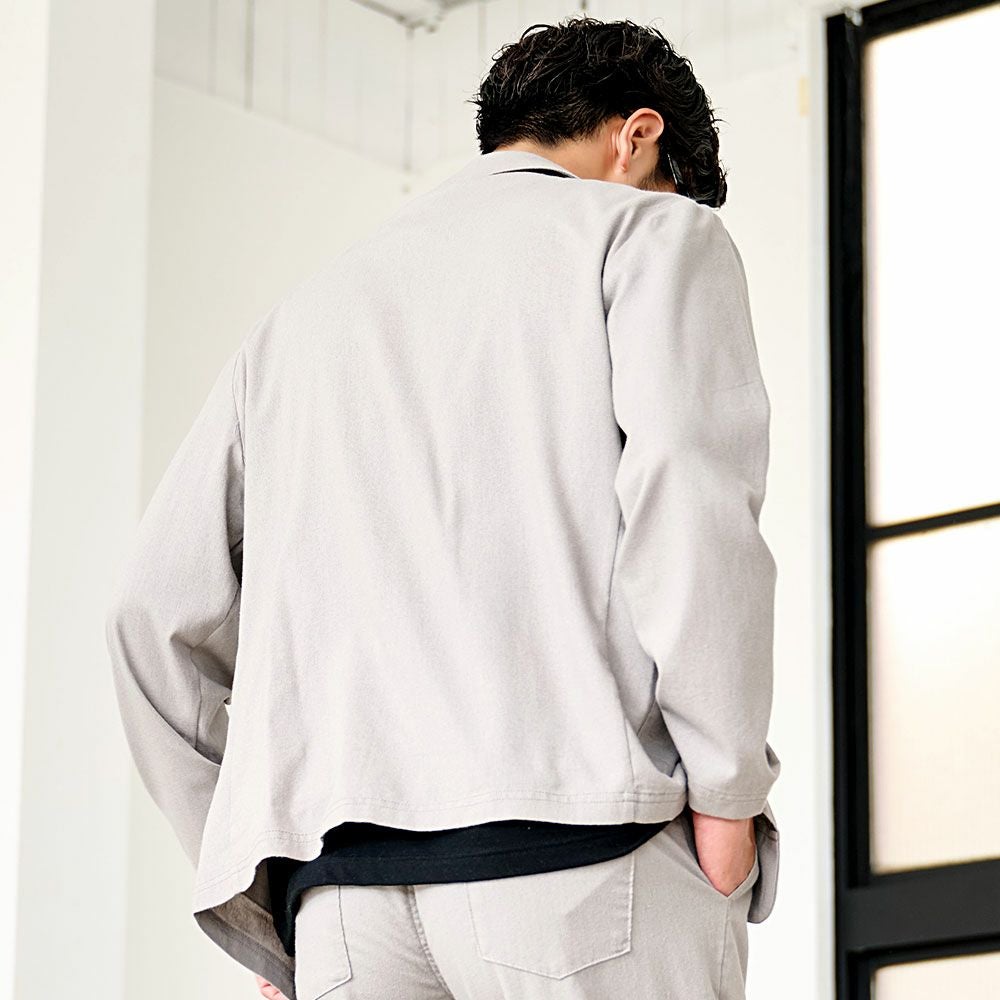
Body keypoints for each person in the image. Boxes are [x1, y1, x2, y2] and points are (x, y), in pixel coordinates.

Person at [105, 15, 781, 1000]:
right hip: (583, 864)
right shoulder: (647, 232)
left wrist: (260, 873)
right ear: (639, 138)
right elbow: (693, 512)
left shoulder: (302, 319)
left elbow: (146, 612)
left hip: (343, 903)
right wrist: (727, 794)